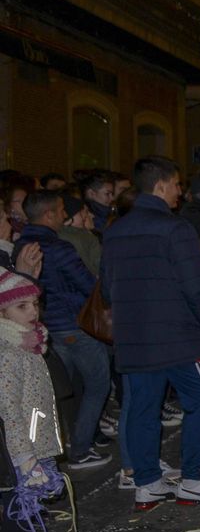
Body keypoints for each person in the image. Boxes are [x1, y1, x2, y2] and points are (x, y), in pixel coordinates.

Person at [100, 156, 200, 508]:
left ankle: (147, 482)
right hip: (179, 336)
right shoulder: (175, 229)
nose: (179, 192)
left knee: (143, 410)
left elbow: (108, 290)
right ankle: (194, 478)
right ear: (160, 186)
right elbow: (196, 285)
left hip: (133, 337)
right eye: (175, 185)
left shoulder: (114, 231)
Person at [15, 190, 111, 469]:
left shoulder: (22, 245)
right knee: (97, 384)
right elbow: (86, 285)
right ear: (48, 215)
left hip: (47, 330)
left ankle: (63, 444)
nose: (63, 216)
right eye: (59, 211)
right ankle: (80, 449)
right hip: (73, 327)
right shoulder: (59, 248)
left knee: (61, 391)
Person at [0, 269, 66, 532]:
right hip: (15, 450)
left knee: (24, 515)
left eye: (34, 303)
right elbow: (8, 408)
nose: (32, 312)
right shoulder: (8, 352)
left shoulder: (27, 342)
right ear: (2, 313)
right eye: (21, 307)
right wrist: (24, 456)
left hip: (32, 440)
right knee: (15, 514)